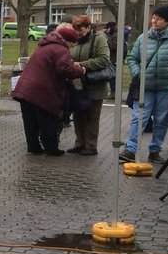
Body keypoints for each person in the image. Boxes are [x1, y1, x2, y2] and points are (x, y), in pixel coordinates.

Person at [121, 5, 168, 164]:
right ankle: (131, 149)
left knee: (161, 120)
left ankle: (154, 151)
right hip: (146, 86)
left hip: (167, 88)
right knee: (139, 117)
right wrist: (138, 74)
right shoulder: (143, 38)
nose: (154, 20)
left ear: (167, 21)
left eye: (158, 18)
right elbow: (132, 59)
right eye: (153, 17)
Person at [12, 25, 85, 156]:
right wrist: (81, 70)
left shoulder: (43, 45)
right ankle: (52, 149)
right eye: (72, 42)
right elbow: (64, 69)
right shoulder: (61, 49)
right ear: (68, 40)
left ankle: (33, 147)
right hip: (42, 91)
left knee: (30, 121)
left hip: (25, 88)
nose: (71, 45)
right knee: (48, 120)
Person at [67, 16, 111, 156]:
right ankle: (80, 143)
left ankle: (91, 145)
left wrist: (82, 65)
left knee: (92, 116)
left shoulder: (99, 39)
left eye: (81, 29)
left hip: (94, 84)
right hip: (78, 84)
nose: (78, 32)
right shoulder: (75, 41)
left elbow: (103, 59)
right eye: (76, 30)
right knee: (78, 114)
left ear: (88, 27)